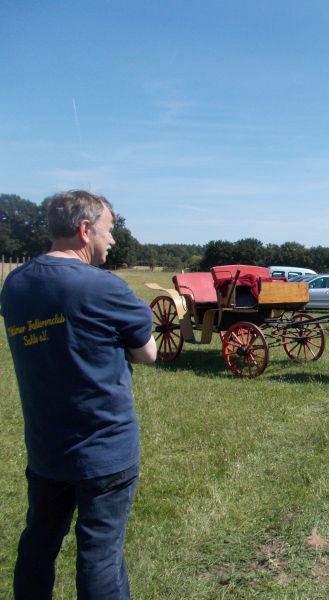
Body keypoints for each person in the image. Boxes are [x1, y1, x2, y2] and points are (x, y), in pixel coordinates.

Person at [0, 190, 157, 599]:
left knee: (39, 544)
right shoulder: (105, 288)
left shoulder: (15, 285)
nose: (114, 240)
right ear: (86, 230)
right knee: (100, 554)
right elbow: (148, 353)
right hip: (104, 449)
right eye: (109, 230)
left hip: (46, 447)